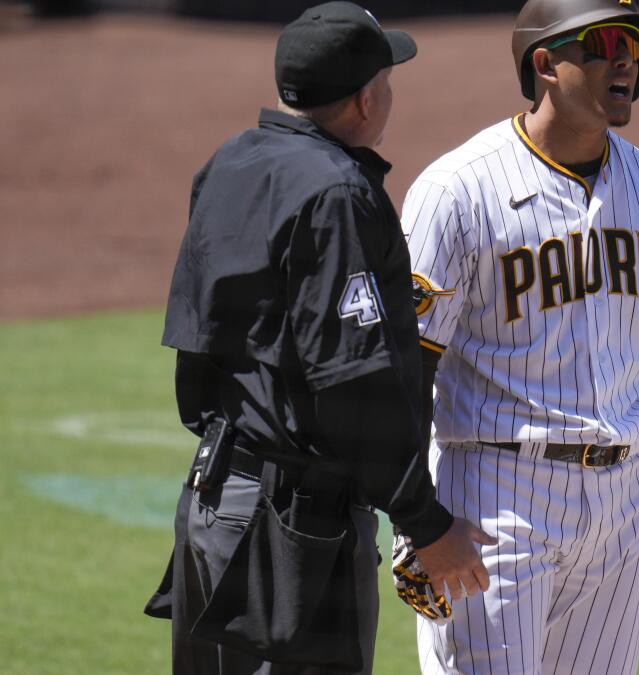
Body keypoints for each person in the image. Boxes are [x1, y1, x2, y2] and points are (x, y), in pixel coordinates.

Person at [395, 1, 639, 672]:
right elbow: (403, 367)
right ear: (544, 63)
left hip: (623, 500)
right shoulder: (459, 190)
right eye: (604, 43)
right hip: (495, 495)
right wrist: (415, 521)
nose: (625, 58)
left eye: (633, 45)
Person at [143, 3, 493, 673]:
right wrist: (425, 522)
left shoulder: (230, 164)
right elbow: (353, 381)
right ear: (364, 100)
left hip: (212, 503)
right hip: (293, 537)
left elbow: (196, 335)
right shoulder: (338, 193)